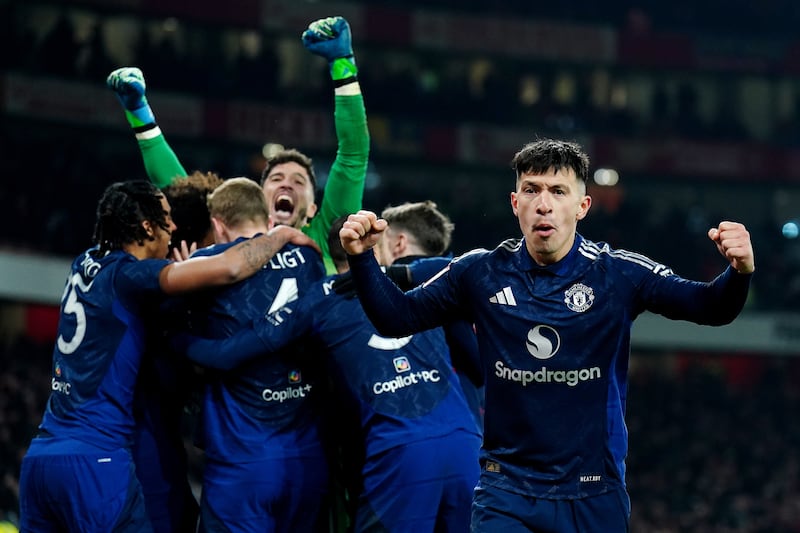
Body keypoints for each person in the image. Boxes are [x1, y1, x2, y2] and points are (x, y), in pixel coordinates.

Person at [338, 138, 755, 532]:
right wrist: (361, 260)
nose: (543, 205)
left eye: (558, 191)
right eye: (532, 190)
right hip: (505, 491)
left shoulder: (618, 274)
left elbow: (709, 308)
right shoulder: (479, 273)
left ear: (582, 206)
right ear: (514, 203)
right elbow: (397, 318)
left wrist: (738, 272)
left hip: (593, 491)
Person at [17, 180, 318, 532]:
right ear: (147, 226)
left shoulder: (84, 262)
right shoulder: (130, 275)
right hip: (95, 461)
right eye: (166, 218)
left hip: (40, 457)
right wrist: (279, 236)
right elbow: (231, 268)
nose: (173, 228)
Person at [173, 210, 482, 532]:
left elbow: (230, 354)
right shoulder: (421, 284)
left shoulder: (321, 298)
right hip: (466, 446)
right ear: (374, 249)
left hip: (399, 453)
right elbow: (469, 265)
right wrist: (397, 271)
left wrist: (175, 336)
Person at [106, 15, 369, 274]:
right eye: (276, 178)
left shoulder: (322, 237)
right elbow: (181, 190)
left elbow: (352, 156)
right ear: (259, 198)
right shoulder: (229, 234)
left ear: (313, 208)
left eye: (299, 182)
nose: (287, 183)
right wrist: (139, 114)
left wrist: (342, 65)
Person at [180, 177, 328, 532]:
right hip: (306, 459)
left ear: (217, 224)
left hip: (241, 460)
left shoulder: (208, 262)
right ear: (266, 217)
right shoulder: (308, 256)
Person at [130, 170, 224, 532]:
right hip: (141, 446)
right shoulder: (158, 294)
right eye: (220, 237)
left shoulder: (144, 284)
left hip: (157, 443)